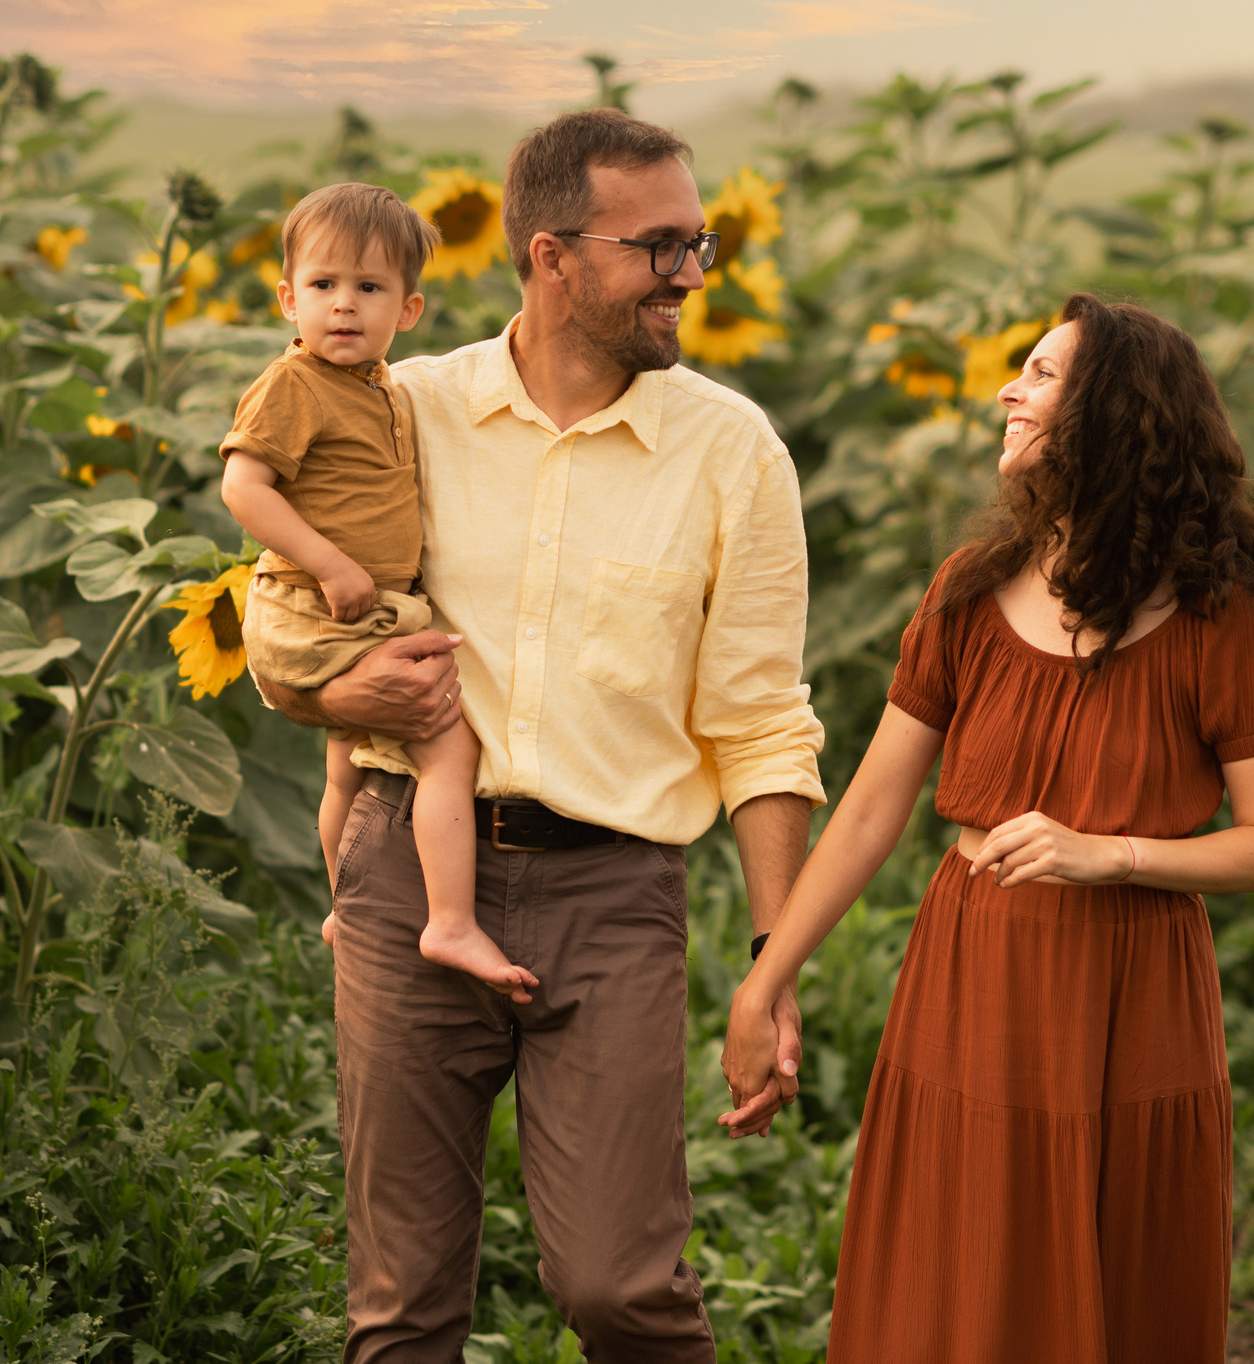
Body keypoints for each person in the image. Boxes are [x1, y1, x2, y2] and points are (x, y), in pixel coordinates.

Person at [251, 110, 826, 1363]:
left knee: (620, 1287)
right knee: (399, 1304)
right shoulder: (401, 407)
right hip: (409, 868)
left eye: (698, 243)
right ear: (551, 255)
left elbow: (763, 726)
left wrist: (772, 965)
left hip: (614, 892)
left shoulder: (732, 452)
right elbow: (277, 616)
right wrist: (337, 702)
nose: (689, 274)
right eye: (658, 247)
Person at [721, 294, 1254, 1363]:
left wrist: (1111, 855)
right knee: (961, 1280)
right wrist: (764, 986)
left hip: (1131, 992)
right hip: (973, 974)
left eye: (1041, 375)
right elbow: (866, 812)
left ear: (1115, 413)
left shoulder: (1217, 617)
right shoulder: (969, 591)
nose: (1009, 390)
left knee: (1118, 1276)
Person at [219, 182, 531, 998]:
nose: (344, 306)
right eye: (322, 286)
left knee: (346, 768)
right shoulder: (294, 385)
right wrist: (330, 562)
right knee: (447, 747)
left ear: (410, 308)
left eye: (369, 287)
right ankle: (451, 922)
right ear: (288, 299)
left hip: (353, 610)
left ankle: (339, 905)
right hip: (318, 603)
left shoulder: (385, 390)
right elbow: (244, 490)